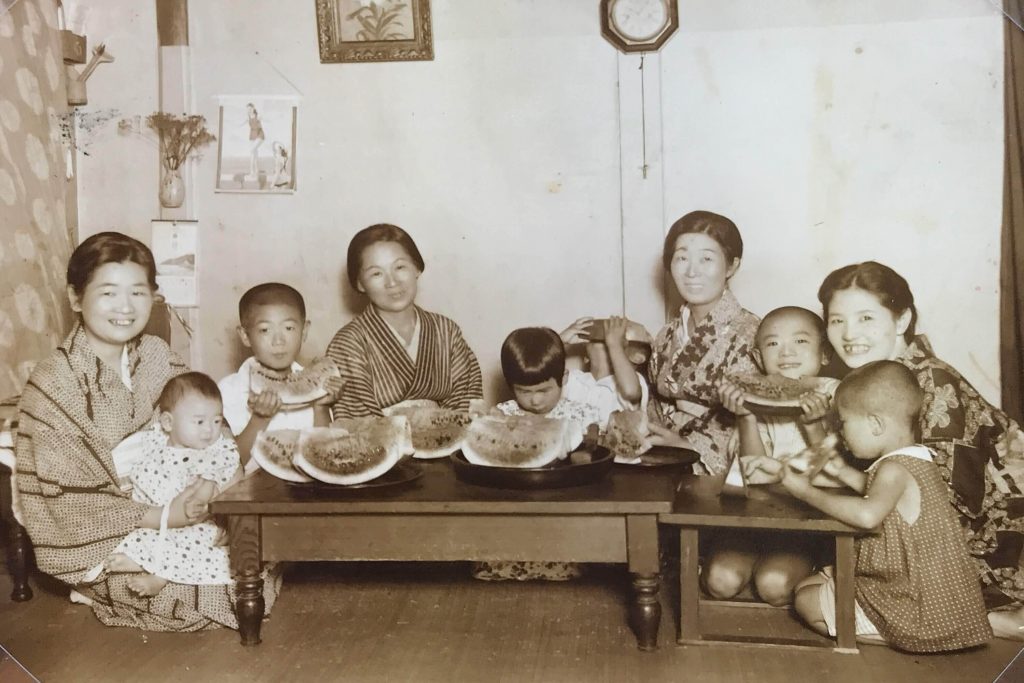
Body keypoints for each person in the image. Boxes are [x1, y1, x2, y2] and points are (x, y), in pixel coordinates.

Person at [15, 231, 280, 631]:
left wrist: (227, 506)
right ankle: (99, 583)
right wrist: (165, 516)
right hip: (108, 526)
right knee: (223, 597)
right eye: (108, 293)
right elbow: (69, 500)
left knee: (259, 561)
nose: (125, 307)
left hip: (186, 498)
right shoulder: (54, 382)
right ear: (75, 298)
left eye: (138, 293)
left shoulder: (154, 353)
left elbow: (211, 427)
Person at [818, 261, 1024, 638]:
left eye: (865, 318)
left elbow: (942, 501)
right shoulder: (878, 376)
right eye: (836, 320)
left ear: (902, 320)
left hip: (997, 542)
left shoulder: (933, 381)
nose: (849, 334)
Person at [749, 361, 992, 652]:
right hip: (932, 597)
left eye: (844, 424)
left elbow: (867, 516)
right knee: (809, 585)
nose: (841, 435)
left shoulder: (893, 469)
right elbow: (867, 485)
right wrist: (834, 468)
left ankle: (894, 635)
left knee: (804, 600)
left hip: (916, 608)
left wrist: (804, 491)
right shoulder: (917, 460)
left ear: (875, 424)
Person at [474, 324, 647, 582]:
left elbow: (595, 452)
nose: (534, 401)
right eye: (524, 391)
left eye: (544, 391)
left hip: (564, 506)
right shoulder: (505, 413)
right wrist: (488, 424)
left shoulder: (580, 415)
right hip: (515, 505)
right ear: (511, 386)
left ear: (564, 379)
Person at [708, 307, 838, 606]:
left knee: (773, 585)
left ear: (825, 354)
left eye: (801, 341)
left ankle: (818, 567)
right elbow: (752, 475)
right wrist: (746, 416)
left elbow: (835, 472)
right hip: (753, 514)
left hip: (807, 524)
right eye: (773, 343)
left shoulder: (838, 395)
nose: (786, 353)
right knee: (720, 581)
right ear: (757, 358)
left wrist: (815, 426)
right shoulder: (750, 394)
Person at [326, 223, 483, 418]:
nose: (392, 282)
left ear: (417, 268)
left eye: (400, 267)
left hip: (447, 443)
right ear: (360, 283)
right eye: (376, 273)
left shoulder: (446, 330)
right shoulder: (346, 343)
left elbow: (465, 404)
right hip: (379, 444)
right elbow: (356, 420)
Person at [106, 372, 241, 597]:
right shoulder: (155, 439)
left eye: (216, 421)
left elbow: (208, 483)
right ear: (168, 422)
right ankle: (142, 559)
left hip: (195, 523)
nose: (209, 430)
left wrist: (198, 501)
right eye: (199, 422)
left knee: (199, 544)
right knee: (126, 536)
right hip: (154, 519)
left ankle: (159, 576)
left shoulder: (213, 451)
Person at [647, 210, 760, 474]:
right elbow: (657, 407)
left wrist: (688, 446)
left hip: (721, 468)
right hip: (665, 459)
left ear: (732, 266)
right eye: (681, 257)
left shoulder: (753, 334)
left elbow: (757, 424)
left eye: (706, 259)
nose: (692, 271)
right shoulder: (666, 335)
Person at [218, 282, 334, 472]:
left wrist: (321, 408)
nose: (278, 341)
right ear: (245, 335)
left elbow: (325, 455)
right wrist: (259, 419)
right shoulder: (228, 390)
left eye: (289, 328)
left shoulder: (316, 386)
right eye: (265, 330)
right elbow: (228, 464)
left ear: (304, 331)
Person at [493, 322, 647, 430]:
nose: (610, 343)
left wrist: (614, 345)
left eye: (616, 344)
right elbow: (545, 371)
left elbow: (631, 391)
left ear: (637, 357)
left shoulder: (631, 382)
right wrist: (558, 341)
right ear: (586, 354)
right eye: (598, 340)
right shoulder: (575, 379)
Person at [245, 102, 264, 179]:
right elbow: (241, 123)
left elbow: (260, 125)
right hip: (252, 136)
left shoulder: (258, 116)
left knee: (252, 151)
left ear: (253, 108)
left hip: (259, 135)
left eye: (250, 109)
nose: (249, 110)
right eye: (247, 109)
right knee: (254, 154)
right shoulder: (248, 117)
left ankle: (252, 173)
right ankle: (256, 171)